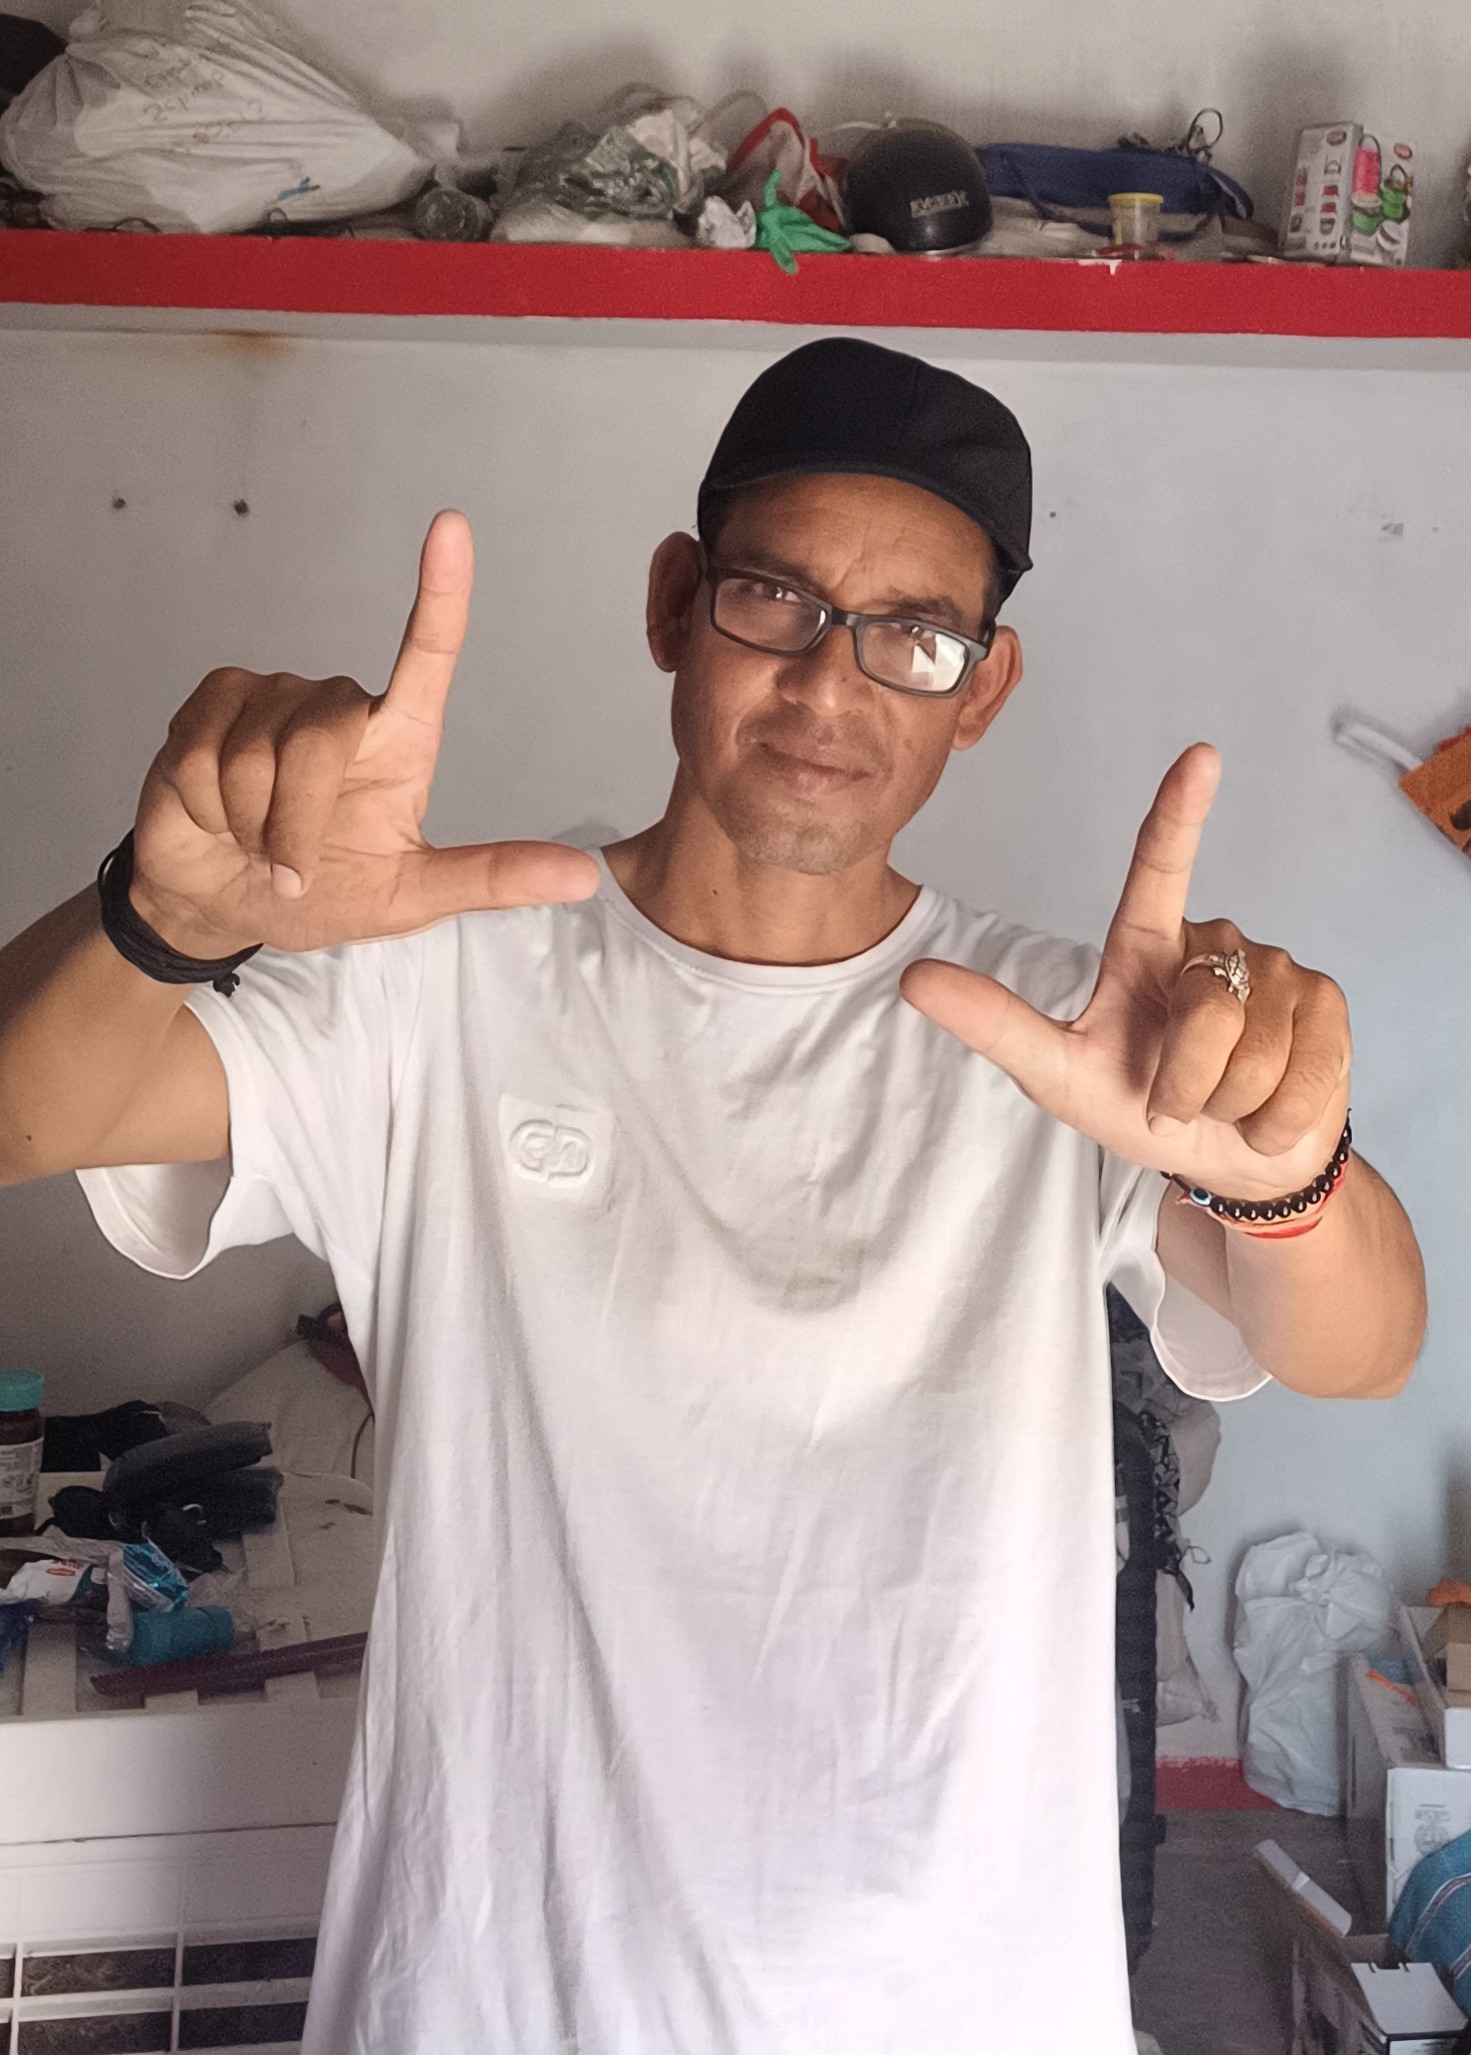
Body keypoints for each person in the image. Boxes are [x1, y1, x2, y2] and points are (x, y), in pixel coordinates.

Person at [0, 339, 1425, 2054]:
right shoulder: (438, 984)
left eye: (915, 636)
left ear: (982, 687)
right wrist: (159, 919)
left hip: (963, 2007)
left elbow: (1363, 1347)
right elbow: (29, 1112)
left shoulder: (1072, 1042)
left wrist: (1286, 1180)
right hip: (497, 2001)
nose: (833, 683)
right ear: (675, 602)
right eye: (777, 599)